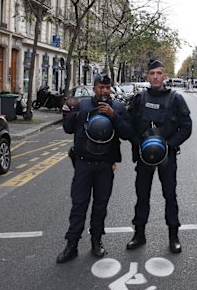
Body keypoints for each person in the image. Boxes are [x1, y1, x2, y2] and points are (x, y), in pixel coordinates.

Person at [57, 74, 133, 264]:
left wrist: (113, 116)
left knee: (101, 205)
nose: (104, 91)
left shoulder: (118, 107)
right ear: (94, 88)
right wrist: (71, 112)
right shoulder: (83, 105)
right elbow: (68, 128)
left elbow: (127, 133)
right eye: (101, 87)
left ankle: (96, 240)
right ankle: (71, 244)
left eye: (107, 87)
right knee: (79, 204)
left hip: (106, 165)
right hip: (84, 163)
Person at [126, 59, 192, 253]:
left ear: (165, 75)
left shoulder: (175, 98)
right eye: (152, 73)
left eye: (159, 73)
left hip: (167, 157)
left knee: (170, 196)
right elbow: (129, 125)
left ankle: (173, 235)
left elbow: (186, 127)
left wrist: (168, 145)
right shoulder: (139, 98)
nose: (155, 77)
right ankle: (139, 234)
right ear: (147, 76)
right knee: (142, 195)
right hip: (143, 157)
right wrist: (140, 144)